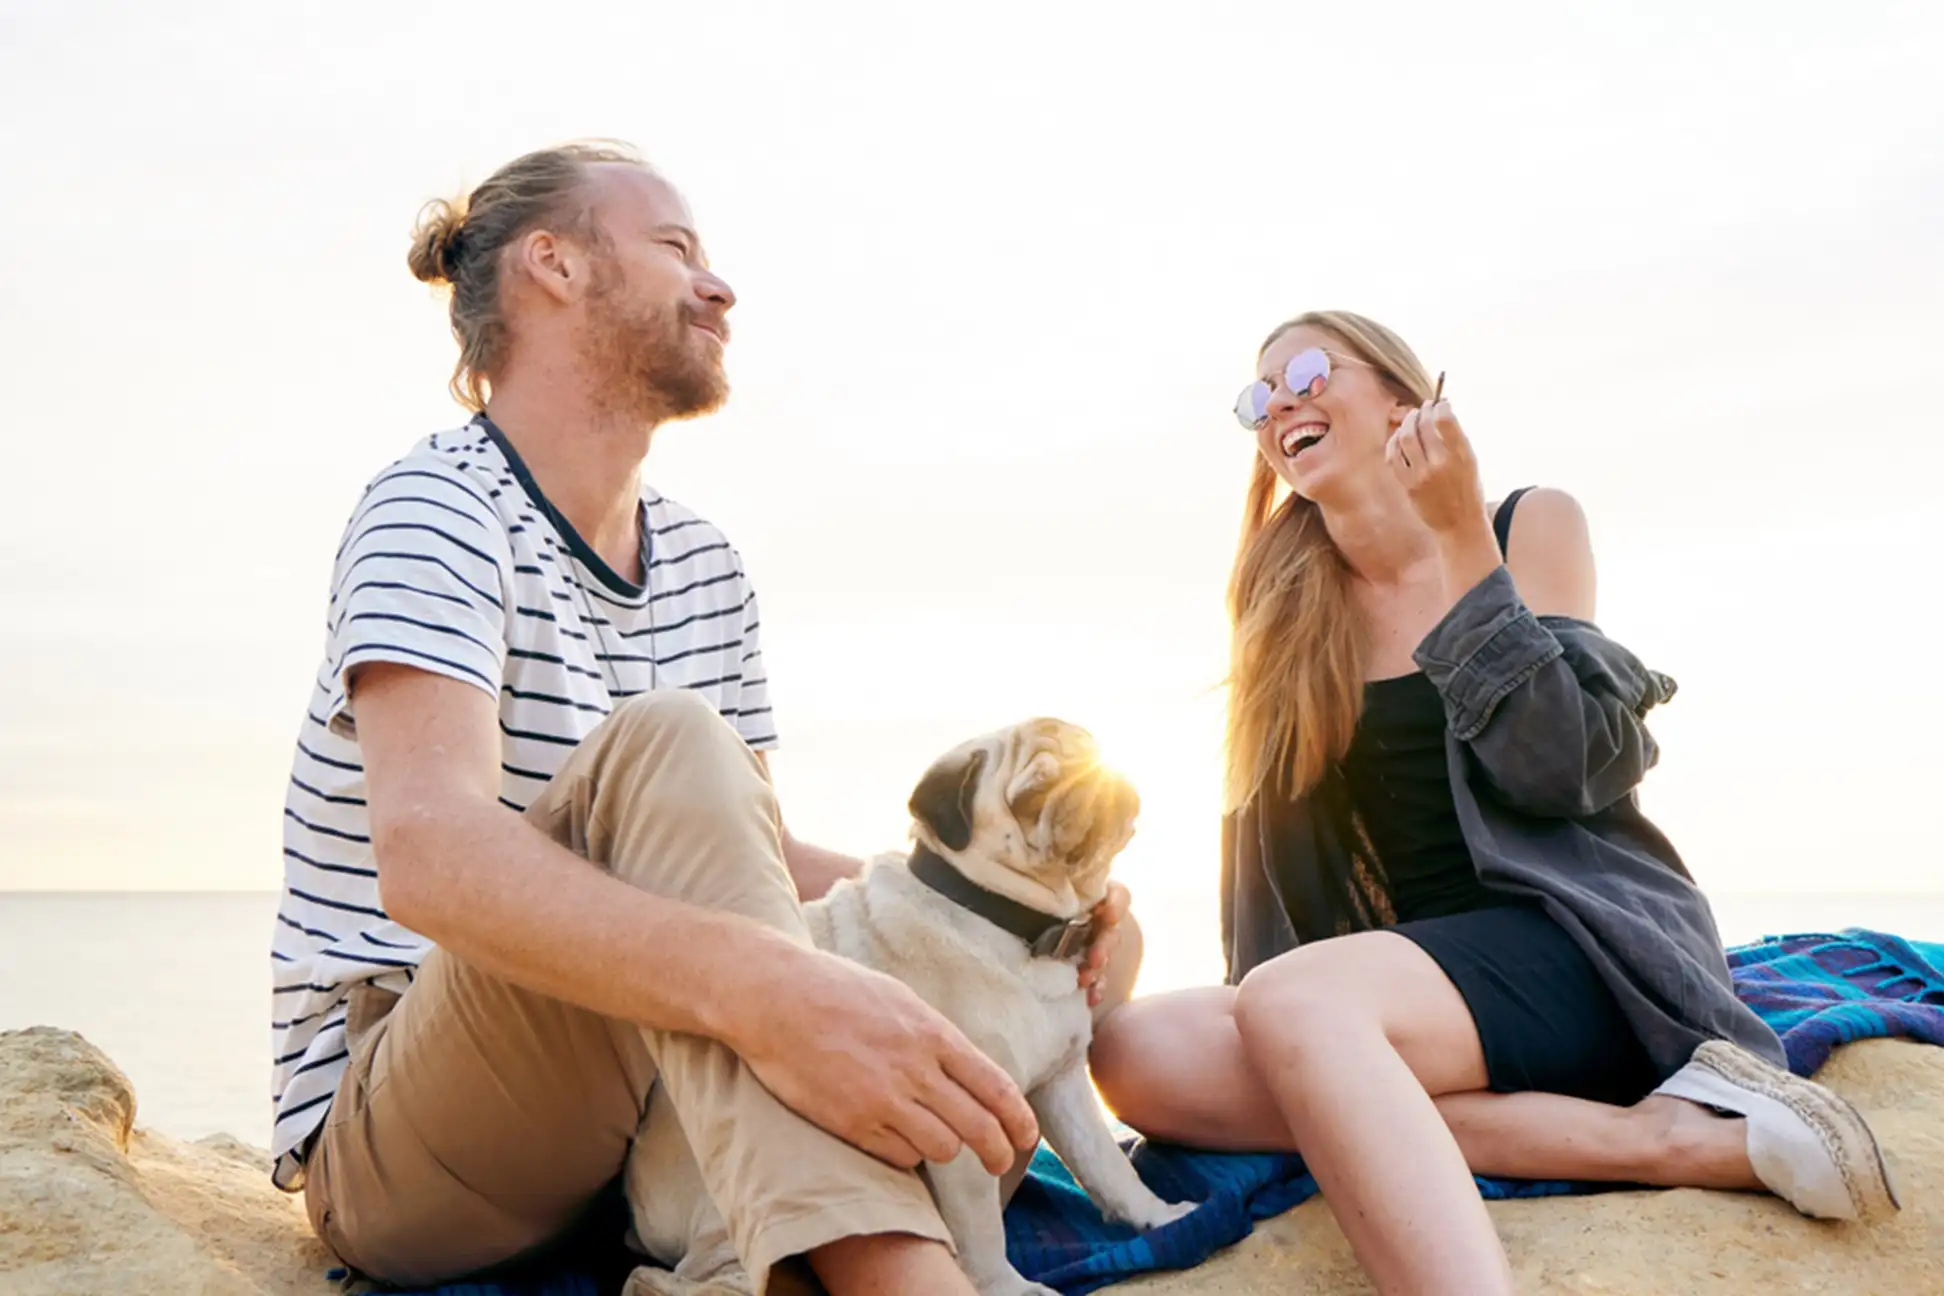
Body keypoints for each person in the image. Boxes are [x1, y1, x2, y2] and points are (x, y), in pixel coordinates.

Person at [268, 140, 1136, 1296]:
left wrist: (1033, 919)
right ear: (553, 266)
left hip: (637, 1121)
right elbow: (428, 858)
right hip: (416, 1135)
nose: (719, 286)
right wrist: (771, 991)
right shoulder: (434, 507)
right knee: (678, 744)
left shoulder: (706, 564)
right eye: (676, 249)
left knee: (727, 829)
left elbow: (750, 863)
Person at [1087, 311, 1899, 1295]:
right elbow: (1267, 853)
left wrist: (1463, 538)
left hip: (1577, 946)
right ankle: (1656, 1141)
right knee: (1135, 1050)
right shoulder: (1286, 595)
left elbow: (1560, 771)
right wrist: (1266, 1028)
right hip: (1411, 994)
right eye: (1258, 398)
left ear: (1398, 392)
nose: (1281, 403)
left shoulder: (1526, 523)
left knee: (1303, 1004)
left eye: (1306, 371)